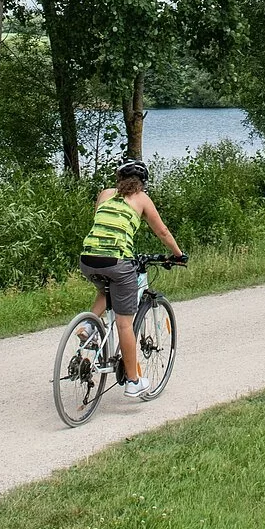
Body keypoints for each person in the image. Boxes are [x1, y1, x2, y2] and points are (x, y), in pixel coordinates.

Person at [78, 158, 185, 401]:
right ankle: (133, 382)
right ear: (142, 183)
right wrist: (177, 254)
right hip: (117, 261)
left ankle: (88, 326)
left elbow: (104, 224)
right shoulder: (142, 199)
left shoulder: (105, 194)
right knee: (125, 324)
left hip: (88, 258)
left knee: (107, 290)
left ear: (119, 179)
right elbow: (162, 231)